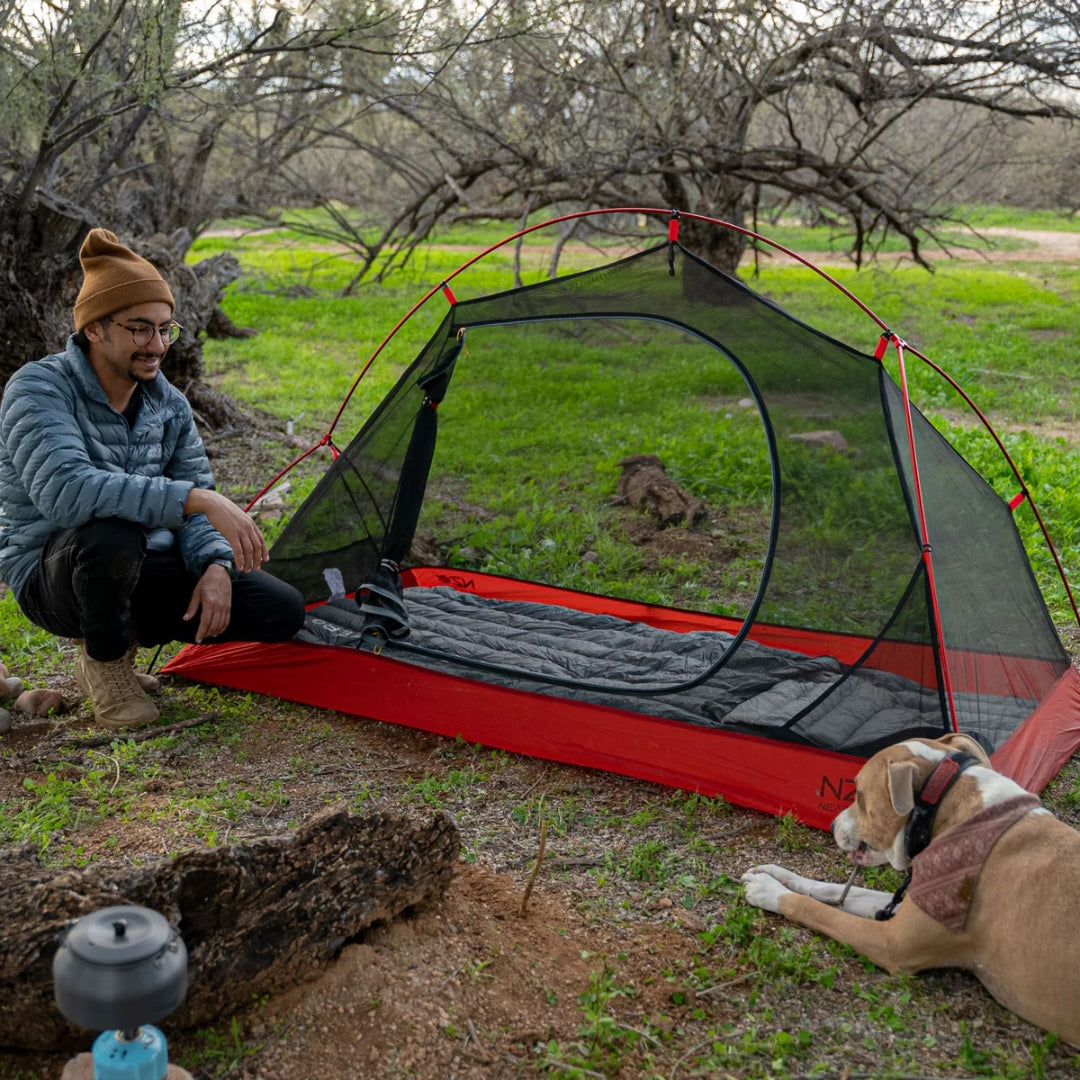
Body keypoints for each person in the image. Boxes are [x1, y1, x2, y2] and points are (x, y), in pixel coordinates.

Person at [0, 228, 306, 730]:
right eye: (140, 329)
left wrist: (215, 565)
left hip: (134, 561)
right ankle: (104, 665)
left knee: (279, 609)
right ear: (95, 329)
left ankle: (117, 640)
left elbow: (195, 494)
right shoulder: (38, 389)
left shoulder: (169, 404)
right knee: (111, 531)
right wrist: (197, 499)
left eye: (166, 329)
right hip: (50, 573)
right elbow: (67, 494)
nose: (158, 345)